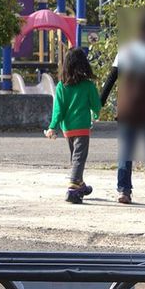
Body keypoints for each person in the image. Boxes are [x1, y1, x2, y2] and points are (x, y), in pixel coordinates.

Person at [99, 10, 145, 204]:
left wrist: (100, 103)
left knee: (126, 149)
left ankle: (124, 190)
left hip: (127, 108)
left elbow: (111, 78)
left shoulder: (126, 51)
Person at [45, 48, 101, 204]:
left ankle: (80, 184)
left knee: (75, 157)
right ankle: (72, 189)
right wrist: (96, 114)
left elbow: (58, 110)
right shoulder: (88, 85)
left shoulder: (61, 86)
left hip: (67, 129)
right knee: (79, 158)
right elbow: (96, 104)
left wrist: (52, 127)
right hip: (82, 126)